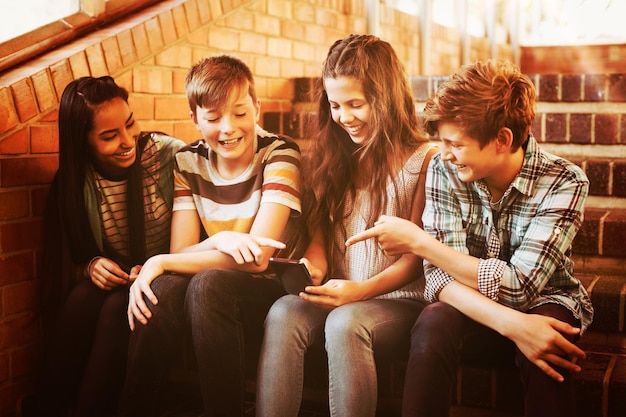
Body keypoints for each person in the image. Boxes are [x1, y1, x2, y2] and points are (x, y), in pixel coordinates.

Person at [346, 59, 593, 417]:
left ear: (502, 140)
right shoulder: (446, 169)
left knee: (549, 341)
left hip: (543, 298)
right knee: (433, 321)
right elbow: (439, 279)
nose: (444, 153)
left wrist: (421, 243)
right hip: (470, 304)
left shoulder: (563, 182)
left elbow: (520, 286)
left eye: (455, 144)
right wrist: (512, 325)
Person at [255, 34, 438, 417]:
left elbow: (415, 260)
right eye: (335, 105)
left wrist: (360, 292)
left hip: (395, 301)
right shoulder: (334, 154)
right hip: (343, 292)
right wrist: (313, 269)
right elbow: (321, 237)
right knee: (284, 311)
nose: (344, 117)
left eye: (356, 104)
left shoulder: (425, 159)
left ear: (386, 98)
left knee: (344, 322)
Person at [118, 54, 302, 417]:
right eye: (213, 118)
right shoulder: (188, 161)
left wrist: (159, 261)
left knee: (206, 283)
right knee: (162, 289)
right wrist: (219, 240)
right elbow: (182, 251)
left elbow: (259, 258)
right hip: (218, 279)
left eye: (239, 113)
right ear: (195, 119)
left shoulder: (280, 154)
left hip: (274, 286)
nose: (228, 128)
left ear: (257, 108)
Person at [22, 76, 185, 417]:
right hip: (120, 281)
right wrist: (91, 266)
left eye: (130, 124)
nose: (128, 142)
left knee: (116, 306)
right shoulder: (74, 182)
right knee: (84, 296)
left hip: (171, 276)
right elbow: (65, 264)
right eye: (110, 136)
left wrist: (155, 265)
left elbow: (196, 233)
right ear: (83, 143)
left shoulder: (168, 158)